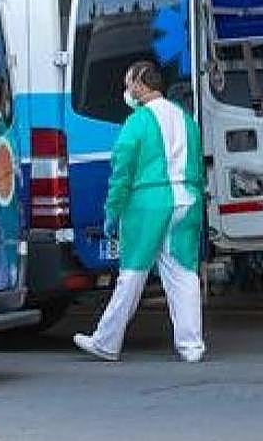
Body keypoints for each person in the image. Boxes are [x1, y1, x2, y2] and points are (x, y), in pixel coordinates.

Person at [74, 61, 206, 362]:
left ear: (139, 84)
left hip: (148, 205)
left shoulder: (137, 122)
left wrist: (112, 211)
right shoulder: (185, 118)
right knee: (183, 274)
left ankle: (106, 342)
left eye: (128, 83)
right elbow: (198, 163)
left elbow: (122, 171)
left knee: (132, 275)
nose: (127, 90)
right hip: (187, 200)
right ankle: (191, 346)